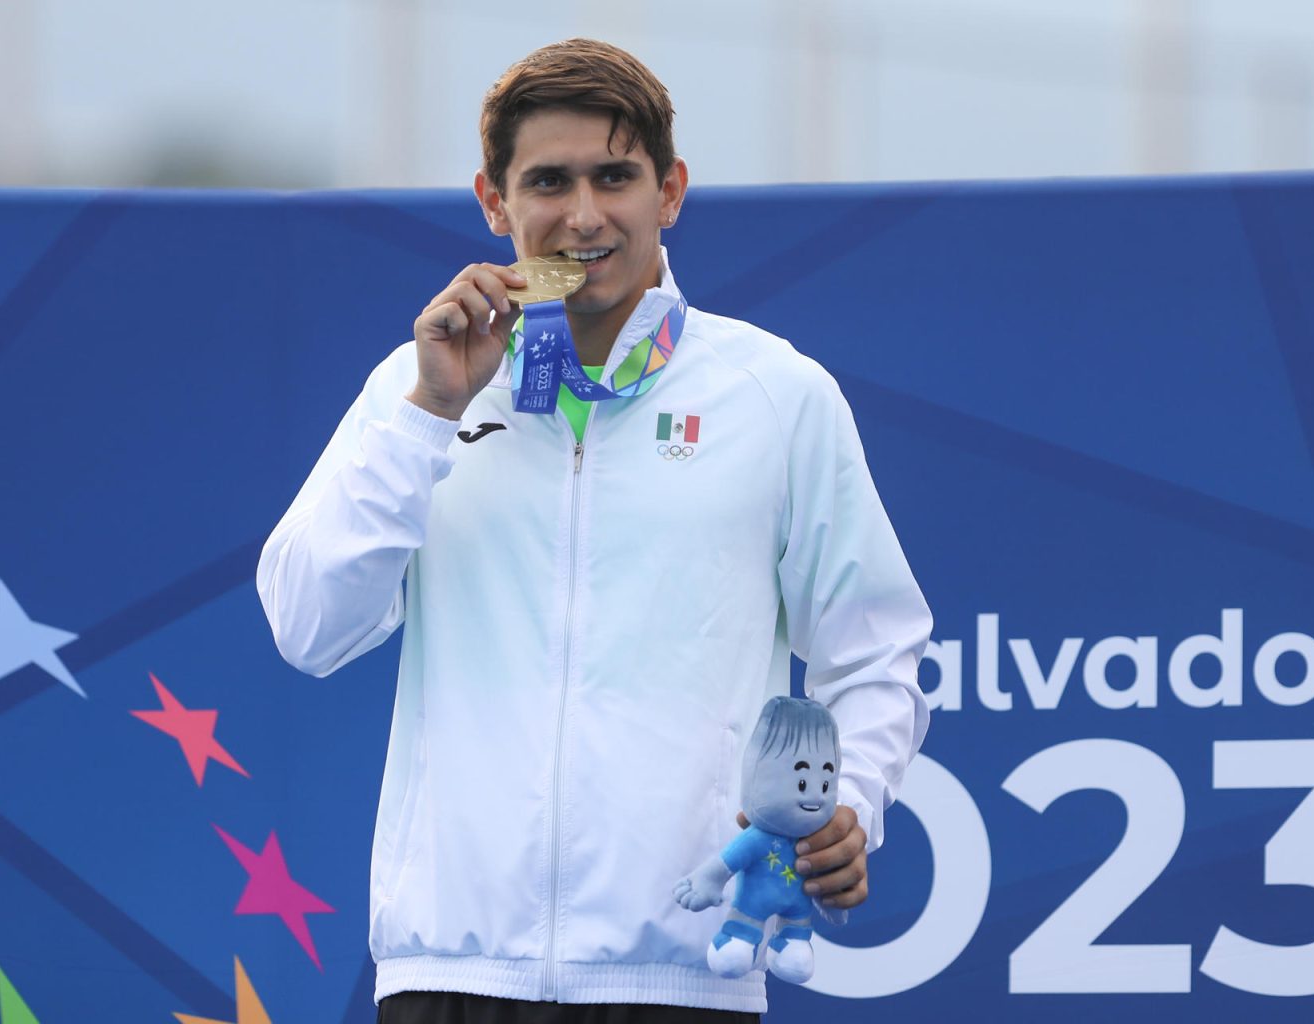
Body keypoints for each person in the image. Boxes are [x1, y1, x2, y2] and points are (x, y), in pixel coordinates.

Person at [257, 38, 932, 1024]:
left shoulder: (777, 396)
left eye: (615, 176)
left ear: (671, 191)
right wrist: (429, 413)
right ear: (494, 201)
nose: (583, 215)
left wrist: (852, 800)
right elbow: (307, 625)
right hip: (451, 974)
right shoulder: (420, 391)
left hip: (680, 978)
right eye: (549, 181)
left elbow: (876, 655)